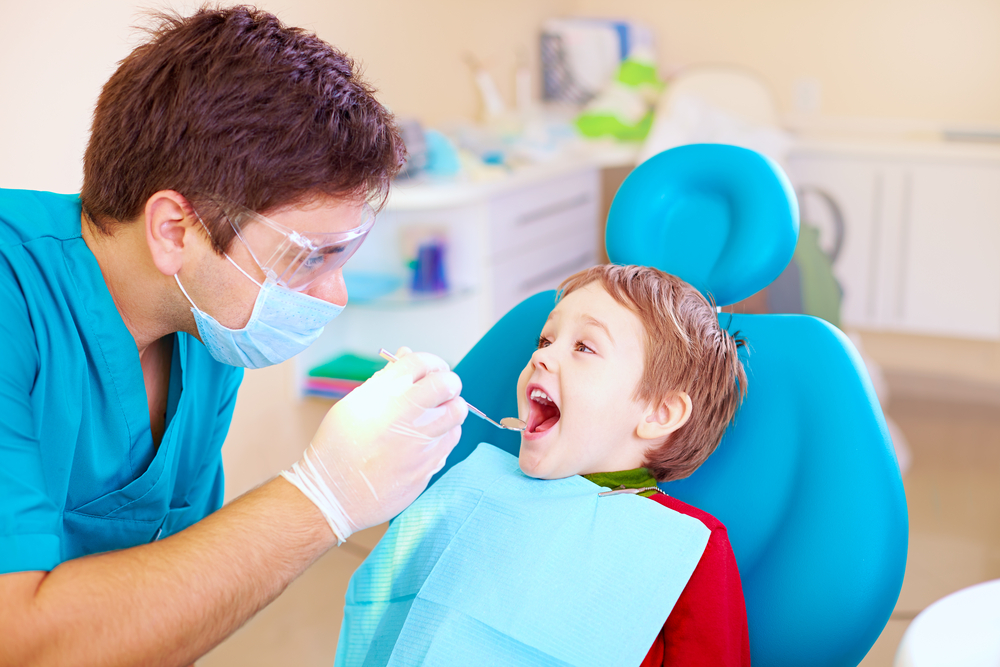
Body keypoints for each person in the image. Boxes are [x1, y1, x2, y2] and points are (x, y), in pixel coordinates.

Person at [0, 7, 466, 666]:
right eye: (310, 255)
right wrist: (322, 494)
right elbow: (18, 639)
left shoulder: (205, 326)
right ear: (174, 231)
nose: (334, 293)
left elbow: (173, 597)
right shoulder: (13, 300)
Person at [341, 264, 751, 666]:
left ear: (659, 413)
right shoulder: (477, 484)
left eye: (584, 347)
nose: (542, 357)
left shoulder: (684, 547)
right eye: (545, 340)